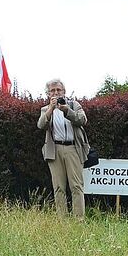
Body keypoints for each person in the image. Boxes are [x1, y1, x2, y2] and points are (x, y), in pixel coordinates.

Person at [36, 78, 90, 217]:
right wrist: (51, 109)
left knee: (76, 186)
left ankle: (79, 219)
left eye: (58, 90)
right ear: (48, 94)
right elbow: (41, 125)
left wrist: (67, 110)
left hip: (73, 148)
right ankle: (62, 219)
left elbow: (82, 120)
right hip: (55, 150)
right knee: (59, 187)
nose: (56, 93)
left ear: (64, 92)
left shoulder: (74, 105)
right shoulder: (45, 109)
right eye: (52, 90)